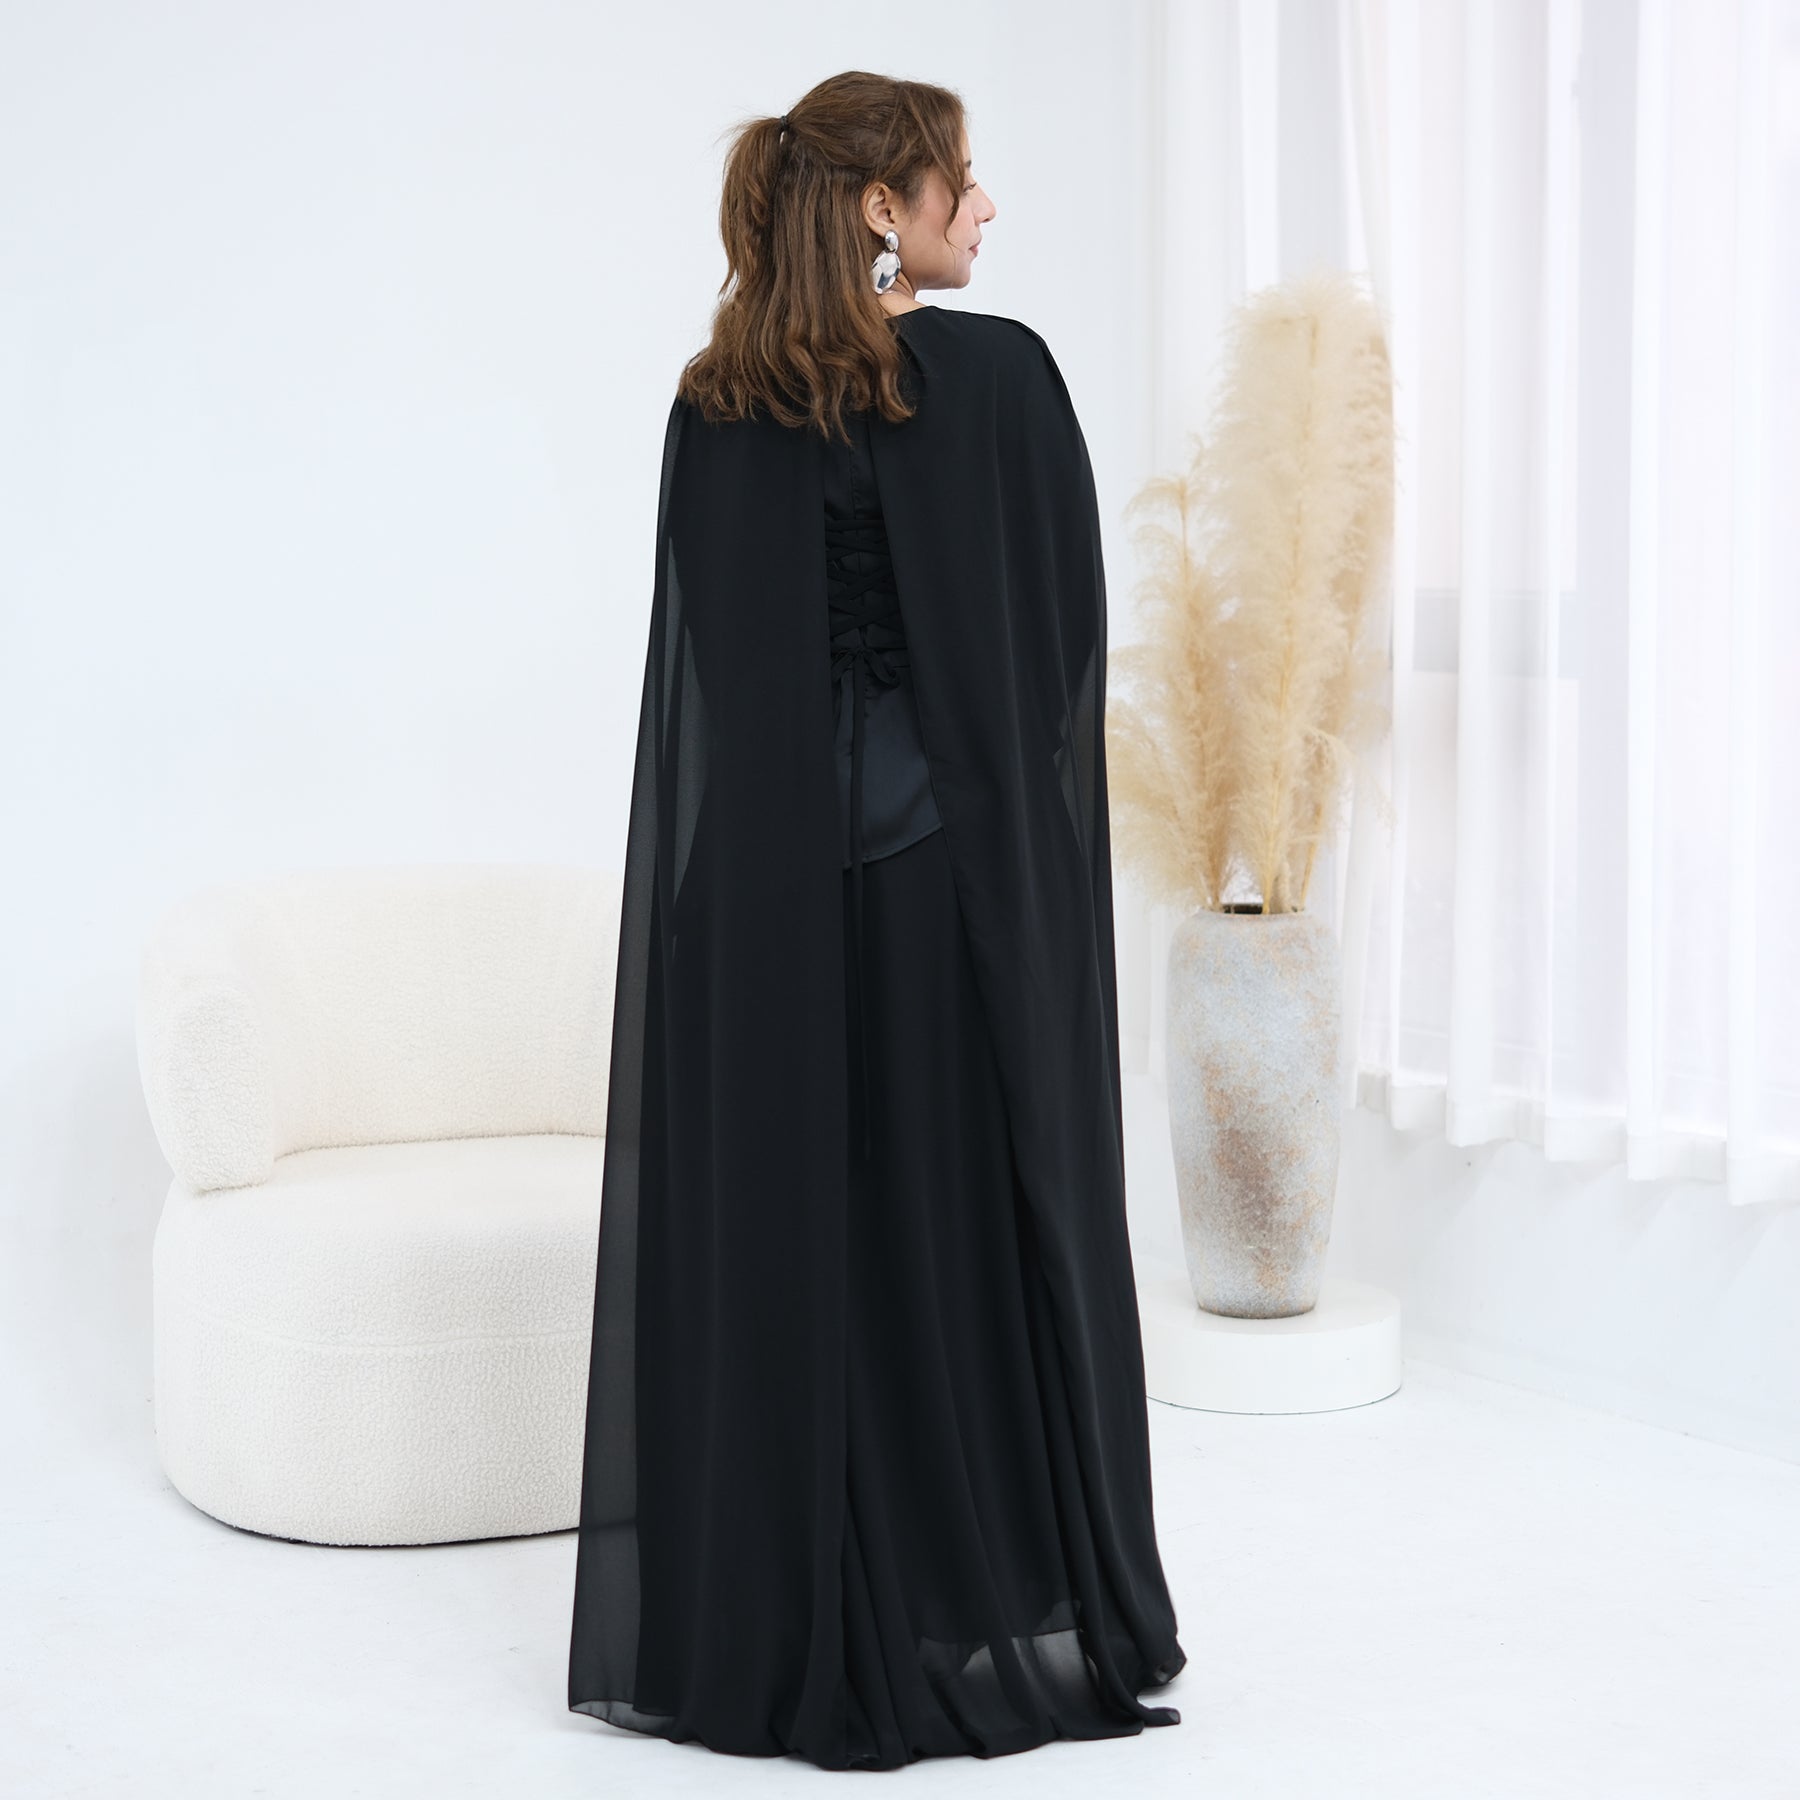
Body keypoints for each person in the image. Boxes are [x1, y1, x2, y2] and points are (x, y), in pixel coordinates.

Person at [567, 70, 1187, 1771]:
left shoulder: (714, 407)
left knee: (795, 1261)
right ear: (877, 211)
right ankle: (952, 1595)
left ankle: (788, 1623)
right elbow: (1058, 663)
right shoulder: (999, 380)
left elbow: (710, 688)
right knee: (942, 1245)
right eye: (957, 182)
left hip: (749, 918)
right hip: (932, 896)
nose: (982, 208)